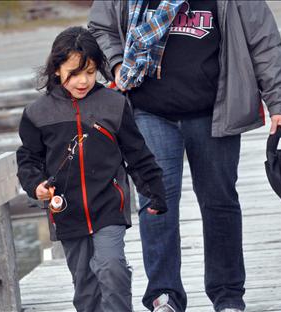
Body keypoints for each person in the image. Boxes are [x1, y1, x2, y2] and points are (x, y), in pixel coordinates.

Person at [88, 1, 281, 312]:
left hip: (215, 110)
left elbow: (265, 42)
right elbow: (101, 27)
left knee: (219, 201)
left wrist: (279, 103)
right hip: (149, 110)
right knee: (157, 202)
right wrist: (116, 65)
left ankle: (228, 296)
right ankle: (163, 296)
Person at [16, 26, 168, 312]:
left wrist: (154, 191)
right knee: (85, 285)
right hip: (66, 211)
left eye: (90, 71)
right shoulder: (37, 114)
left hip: (108, 204)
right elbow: (28, 158)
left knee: (112, 267)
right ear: (57, 69)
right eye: (74, 73)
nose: (83, 81)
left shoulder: (114, 104)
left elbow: (137, 154)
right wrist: (35, 184)